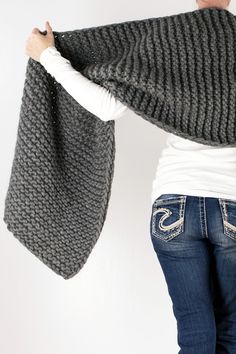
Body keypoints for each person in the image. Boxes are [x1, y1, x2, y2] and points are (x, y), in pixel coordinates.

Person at [25, 0, 236, 352]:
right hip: (233, 200)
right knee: (231, 328)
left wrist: (48, 56)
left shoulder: (170, 37)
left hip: (174, 203)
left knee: (195, 328)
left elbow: (108, 106)